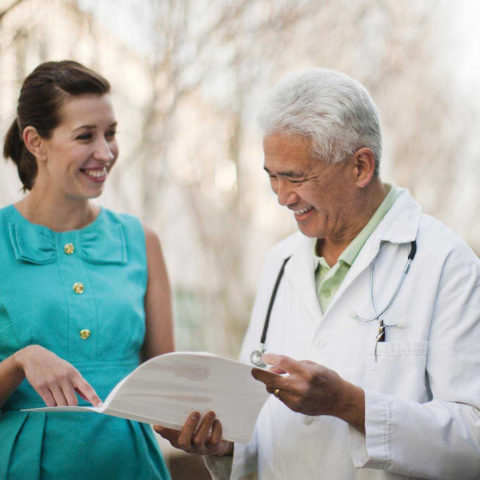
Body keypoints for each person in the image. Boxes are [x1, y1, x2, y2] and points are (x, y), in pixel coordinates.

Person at [155, 69, 480, 479]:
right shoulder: (280, 262)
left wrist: (349, 404)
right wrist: (223, 444)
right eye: (272, 176)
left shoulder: (446, 264)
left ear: (360, 167)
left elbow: (473, 439)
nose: (282, 197)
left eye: (295, 177)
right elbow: (258, 419)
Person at [0, 60, 173, 479]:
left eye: (111, 134)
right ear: (35, 142)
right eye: (85, 136)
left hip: (133, 468)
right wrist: (20, 361)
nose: (106, 153)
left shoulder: (142, 241)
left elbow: (169, 387)